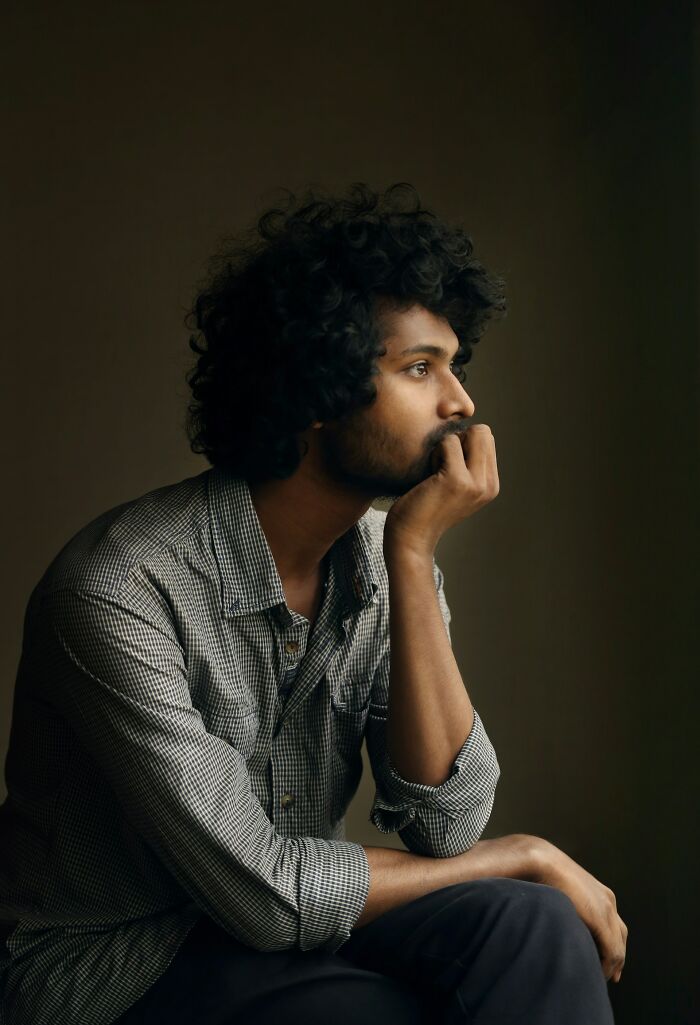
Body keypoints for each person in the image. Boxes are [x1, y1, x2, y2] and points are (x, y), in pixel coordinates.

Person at [0, 183, 626, 1025]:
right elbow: (258, 891)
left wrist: (410, 556)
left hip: (289, 929)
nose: (461, 402)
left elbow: (443, 823)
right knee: (372, 1009)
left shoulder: (384, 555)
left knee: (537, 926)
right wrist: (521, 851)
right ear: (319, 389)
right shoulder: (118, 590)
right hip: (115, 958)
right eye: (419, 368)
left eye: (455, 364)